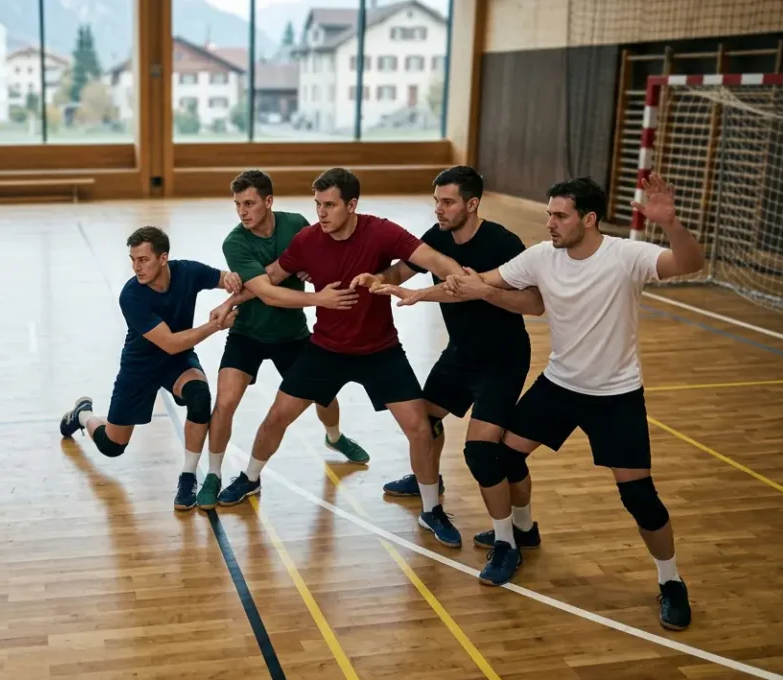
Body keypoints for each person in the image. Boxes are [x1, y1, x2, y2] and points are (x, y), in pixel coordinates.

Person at [428, 173, 703, 630]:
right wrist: (417, 292)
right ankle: (524, 529)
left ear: (589, 219)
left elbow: (689, 263)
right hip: (559, 385)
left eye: (559, 216)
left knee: (640, 498)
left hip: (616, 396)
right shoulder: (541, 256)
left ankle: (671, 581)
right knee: (502, 455)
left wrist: (671, 223)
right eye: (548, 214)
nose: (550, 223)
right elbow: (477, 283)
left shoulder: (626, 256)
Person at [214, 168, 468, 550]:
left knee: (419, 428)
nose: (321, 212)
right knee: (275, 418)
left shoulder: (381, 231)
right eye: (317, 204)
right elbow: (269, 277)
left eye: (329, 205)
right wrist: (230, 301)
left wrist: (459, 280)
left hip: (380, 350)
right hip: (325, 349)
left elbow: (432, 257)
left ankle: (431, 509)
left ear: (352, 205)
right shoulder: (307, 240)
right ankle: (250, 477)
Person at [368, 166, 544, 585]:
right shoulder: (437, 237)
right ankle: (426, 474)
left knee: (483, 453)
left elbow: (535, 303)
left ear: (472, 204)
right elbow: (401, 272)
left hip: (502, 360)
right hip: (460, 355)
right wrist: (379, 280)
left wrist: (485, 292)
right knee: (422, 424)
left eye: (447, 202)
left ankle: (508, 542)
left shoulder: (503, 243)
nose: (439, 209)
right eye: (436, 201)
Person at [197, 170, 370, 510]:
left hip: (292, 333)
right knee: (226, 402)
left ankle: (334, 438)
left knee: (326, 394)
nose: (242, 212)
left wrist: (310, 270)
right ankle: (214, 474)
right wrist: (315, 294)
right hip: (247, 334)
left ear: (269, 201)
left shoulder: (297, 224)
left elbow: (319, 259)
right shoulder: (235, 242)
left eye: (249, 203)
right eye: (237, 205)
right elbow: (266, 291)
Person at [59, 226, 244, 511]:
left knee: (199, 397)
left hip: (177, 362)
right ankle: (83, 414)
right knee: (112, 446)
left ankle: (187, 476)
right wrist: (216, 324)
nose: (136, 267)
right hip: (141, 366)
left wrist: (232, 279)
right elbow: (169, 343)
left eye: (143, 259)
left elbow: (224, 279)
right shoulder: (131, 295)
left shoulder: (188, 272)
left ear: (163, 258)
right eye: (133, 259)